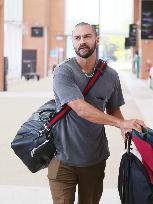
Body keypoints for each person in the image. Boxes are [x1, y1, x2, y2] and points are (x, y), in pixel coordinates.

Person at [47, 22, 146, 204]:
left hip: (94, 160)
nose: (82, 41)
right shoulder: (63, 72)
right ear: (73, 43)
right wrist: (121, 124)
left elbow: (114, 109)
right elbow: (80, 107)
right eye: (77, 38)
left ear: (97, 40)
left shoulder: (110, 76)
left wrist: (125, 129)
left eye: (87, 36)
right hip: (62, 159)